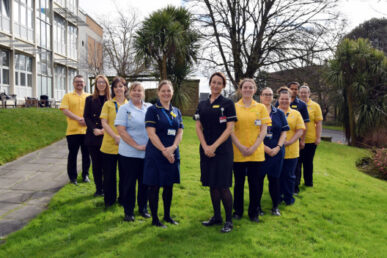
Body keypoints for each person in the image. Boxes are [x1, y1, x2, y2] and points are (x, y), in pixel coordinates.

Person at [194, 72, 237, 233]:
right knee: (212, 184)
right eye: (214, 82)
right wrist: (205, 146)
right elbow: (198, 127)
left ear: (223, 86)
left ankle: (229, 221)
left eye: (219, 83)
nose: (216, 85)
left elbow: (229, 128)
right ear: (210, 84)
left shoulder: (228, 103)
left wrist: (214, 147)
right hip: (206, 149)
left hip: (223, 151)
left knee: (223, 186)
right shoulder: (202, 104)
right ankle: (217, 216)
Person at [143, 80, 184, 228]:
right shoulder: (152, 110)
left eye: (169, 91)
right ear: (158, 93)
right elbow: (151, 135)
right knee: (154, 186)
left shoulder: (176, 111)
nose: (166, 93)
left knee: (169, 186)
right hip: (156, 154)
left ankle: (167, 216)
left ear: (172, 93)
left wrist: (172, 148)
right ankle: (155, 219)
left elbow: (180, 132)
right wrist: (164, 151)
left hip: (172, 153)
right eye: (163, 91)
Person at [230, 79, 270, 223]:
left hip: (256, 153)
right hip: (238, 152)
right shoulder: (234, 107)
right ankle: (238, 211)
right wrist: (240, 147)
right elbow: (231, 130)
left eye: (250, 87)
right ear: (240, 89)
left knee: (255, 185)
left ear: (255, 90)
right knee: (238, 184)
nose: (247, 89)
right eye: (245, 87)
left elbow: (264, 129)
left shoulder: (261, 108)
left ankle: (254, 213)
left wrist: (253, 147)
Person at [115, 82, 151, 222]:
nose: (137, 93)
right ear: (129, 93)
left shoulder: (150, 108)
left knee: (145, 183)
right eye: (134, 90)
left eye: (140, 90)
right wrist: (137, 146)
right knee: (129, 184)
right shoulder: (124, 109)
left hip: (147, 154)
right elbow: (121, 131)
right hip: (129, 154)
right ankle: (128, 212)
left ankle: (143, 208)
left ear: (143, 93)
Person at [260, 87, 289, 216]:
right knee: (258, 180)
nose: (267, 96)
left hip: (277, 152)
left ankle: (275, 207)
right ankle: (257, 207)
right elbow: (253, 134)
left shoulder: (279, 113)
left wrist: (277, 147)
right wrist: (265, 148)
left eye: (270, 94)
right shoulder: (256, 112)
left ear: (273, 97)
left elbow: (284, 132)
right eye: (265, 94)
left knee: (275, 180)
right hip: (260, 151)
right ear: (260, 96)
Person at [100, 77, 128, 208]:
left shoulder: (130, 105)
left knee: (125, 176)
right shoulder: (108, 104)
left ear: (125, 88)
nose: (118, 89)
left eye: (121, 86)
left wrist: (123, 138)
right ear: (113, 89)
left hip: (126, 147)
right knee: (109, 175)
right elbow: (104, 123)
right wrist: (115, 136)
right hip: (109, 145)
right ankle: (109, 201)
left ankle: (123, 200)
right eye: (116, 87)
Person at [60, 75, 91, 185]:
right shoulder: (68, 96)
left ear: (85, 84)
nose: (79, 84)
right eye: (77, 82)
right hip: (73, 131)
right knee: (72, 155)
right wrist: (79, 119)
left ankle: (85, 175)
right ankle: (72, 177)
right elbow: (65, 110)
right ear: (73, 83)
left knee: (86, 155)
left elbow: (92, 112)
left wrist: (87, 121)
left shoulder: (89, 96)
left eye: (81, 82)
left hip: (87, 131)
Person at [277, 87, 305, 205]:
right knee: (277, 176)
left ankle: (288, 198)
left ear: (290, 99)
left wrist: (291, 141)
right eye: (282, 99)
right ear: (278, 99)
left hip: (292, 150)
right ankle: (277, 198)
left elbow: (300, 130)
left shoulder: (296, 113)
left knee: (289, 176)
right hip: (276, 150)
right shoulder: (273, 112)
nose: (284, 101)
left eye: (286, 99)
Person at [84, 75, 110, 196]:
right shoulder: (89, 99)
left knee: (106, 164)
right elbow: (87, 116)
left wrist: (105, 130)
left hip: (107, 135)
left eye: (103, 82)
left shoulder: (111, 100)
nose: (101, 84)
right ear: (96, 84)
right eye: (99, 82)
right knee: (96, 164)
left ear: (106, 84)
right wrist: (94, 129)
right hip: (93, 136)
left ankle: (106, 188)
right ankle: (99, 189)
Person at [295, 84, 323, 190]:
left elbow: (319, 123)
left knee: (308, 162)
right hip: (296, 139)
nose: (303, 94)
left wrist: (318, 137)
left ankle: (308, 182)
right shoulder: (295, 104)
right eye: (301, 92)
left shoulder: (315, 106)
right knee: (297, 163)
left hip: (310, 139)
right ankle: (295, 184)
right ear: (298, 93)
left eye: (305, 92)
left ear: (309, 93)